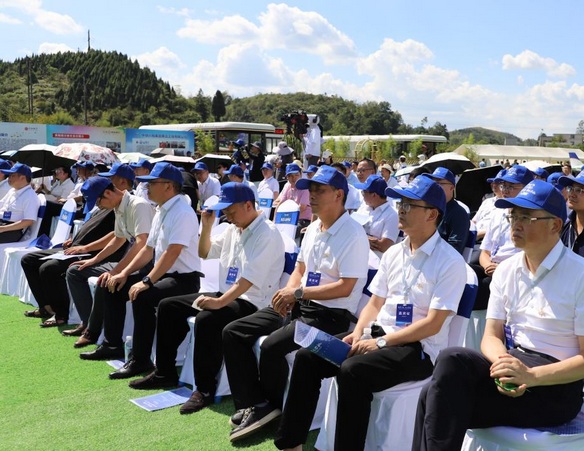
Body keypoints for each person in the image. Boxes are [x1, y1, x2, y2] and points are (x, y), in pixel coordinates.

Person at [413, 179, 584, 450]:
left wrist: (531, 376)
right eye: (513, 216)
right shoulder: (507, 270)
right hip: (511, 367)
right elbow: (491, 336)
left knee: (435, 396)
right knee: (449, 365)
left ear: (554, 225)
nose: (515, 224)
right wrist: (506, 365)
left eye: (526, 217)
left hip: (554, 386)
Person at [274, 175, 466, 451]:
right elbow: (375, 303)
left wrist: (380, 342)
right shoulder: (394, 253)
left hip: (418, 350)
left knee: (352, 371)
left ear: (432, 214)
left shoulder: (450, 262)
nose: (401, 209)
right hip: (378, 336)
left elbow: (433, 324)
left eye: (410, 205)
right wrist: (358, 332)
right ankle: (290, 443)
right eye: (401, 203)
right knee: (308, 357)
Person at [223, 166, 369, 442]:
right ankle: (253, 403)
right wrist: (289, 293)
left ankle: (270, 405)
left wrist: (299, 294)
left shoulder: (353, 234)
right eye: (310, 189)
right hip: (300, 305)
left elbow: (346, 286)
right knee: (234, 331)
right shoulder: (313, 227)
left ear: (339, 194)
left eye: (319, 190)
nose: (311, 195)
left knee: (271, 346)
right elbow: (300, 269)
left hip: (330, 316)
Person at [129, 182, 284, 414]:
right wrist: (207, 226)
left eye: (231, 211)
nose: (228, 217)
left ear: (249, 205)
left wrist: (219, 302)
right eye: (226, 212)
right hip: (229, 294)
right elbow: (204, 252)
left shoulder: (267, 233)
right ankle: (164, 371)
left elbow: (250, 280)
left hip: (254, 302)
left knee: (207, 319)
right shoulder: (234, 229)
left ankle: (204, 390)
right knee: (169, 306)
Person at [78, 163, 201, 381]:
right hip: (165, 275)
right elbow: (148, 249)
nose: (146, 188)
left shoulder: (182, 212)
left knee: (143, 296)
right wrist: (123, 273)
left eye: (152, 183)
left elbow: (172, 253)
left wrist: (146, 280)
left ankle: (140, 358)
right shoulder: (163, 210)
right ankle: (112, 344)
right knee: (113, 285)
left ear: (169, 187)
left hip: (184, 280)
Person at [66, 176, 155, 348]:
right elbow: (118, 238)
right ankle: (87, 322)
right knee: (75, 272)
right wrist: (94, 260)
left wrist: (117, 271)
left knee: (105, 281)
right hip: (133, 260)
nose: (98, 206)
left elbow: (142, 243)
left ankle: (93, 332)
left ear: (108, 193)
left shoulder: (138, 206)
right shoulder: (118, 207)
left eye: (98, 202)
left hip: (146, 263)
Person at [22, 201, 117, 329]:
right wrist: (74, 239)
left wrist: (85, 248)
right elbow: (90, 229)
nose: (97, 201)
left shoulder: (117, 209)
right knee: (28, 260)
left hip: (91, 253)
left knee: (49, 268)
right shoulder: (102, 207)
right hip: (77, 247)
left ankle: (61, 314)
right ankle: (46, 307)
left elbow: (115, 236)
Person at [471, 165, 533, 310]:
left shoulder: (532, 218)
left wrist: (500, 269)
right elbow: (485, 251)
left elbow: (527, 255)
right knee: (464, 274)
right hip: (491, 266)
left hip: (514, 271)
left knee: (480, 290)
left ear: (526, 189)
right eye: (503, 186)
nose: (505, 190)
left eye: (511, 186)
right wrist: (487, 266)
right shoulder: (498, 213)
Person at [422, 167, 470, 254]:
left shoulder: (459, 214)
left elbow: (454, 249)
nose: (434, 187)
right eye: (433, 183)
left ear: (452, 188)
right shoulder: (428, 208)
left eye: (439, 183)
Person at [354, 174, 399, 257]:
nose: (362, 195)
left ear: (374, 195)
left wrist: (358, 238)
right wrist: (367, 239)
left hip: (377, 265)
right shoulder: (363, 208)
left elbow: (384, 246)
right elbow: (351, 230)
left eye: (364, 192)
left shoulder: (392, 215)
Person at [0, 163, 39, 243]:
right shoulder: (12, 191)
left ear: (22, 177)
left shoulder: (30, 196)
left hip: (13, 230)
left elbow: (28, 221)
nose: (9, 178)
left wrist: (3, 229)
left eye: (12, 175)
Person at [36, 164, 76, 235]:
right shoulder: (57, 182)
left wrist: (52, 197)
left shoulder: (69, 185)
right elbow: (51, 193)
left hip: (61, 206)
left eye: (60, 171)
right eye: (57, 170)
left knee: (47, 206)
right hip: (53, 201)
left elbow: (63, 199)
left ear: (66, 174)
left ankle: (44, 233)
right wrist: (44, 189)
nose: (57, 172)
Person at [275, 163, 312, 233]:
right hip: (290, 219)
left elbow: (302, 207)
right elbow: (280, 205)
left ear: (300, 175)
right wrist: (274, 221)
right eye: (290, 176)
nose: (293, 178)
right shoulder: (287, 187)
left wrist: (287, 218)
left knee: (287, 232)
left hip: (303, 220)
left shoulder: (305, 188)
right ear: (287, 177)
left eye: (296, 175)